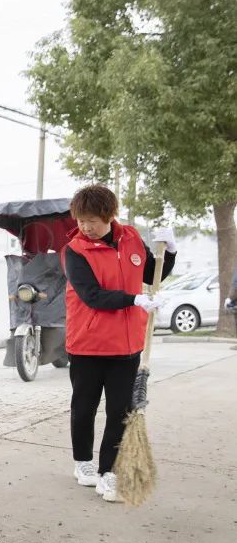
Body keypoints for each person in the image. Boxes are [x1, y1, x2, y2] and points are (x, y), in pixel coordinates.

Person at [61, 184, 175, 502]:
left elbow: (154, 273)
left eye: (92, 221)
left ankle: (108, 473)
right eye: (81, 221)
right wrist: (134, 299)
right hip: (88, 344)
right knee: (84, 407)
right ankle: (83, 462)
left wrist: (172, 251)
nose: (86, 227)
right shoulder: (75, 251)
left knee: (120, 411)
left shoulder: (132, 239)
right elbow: (92, 296)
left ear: (109, 215)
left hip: (128, 345)